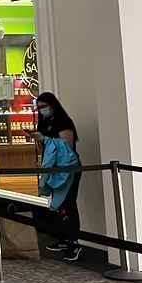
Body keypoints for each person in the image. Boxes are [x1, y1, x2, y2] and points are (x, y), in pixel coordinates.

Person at [30, 91, 82, 261]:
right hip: (55, 169)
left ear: (53, 105)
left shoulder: (63, 122)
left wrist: (44, 139)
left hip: (67, 169)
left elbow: (65, 146)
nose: (42, 110)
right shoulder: (46, 122)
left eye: (45, 107)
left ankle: (73, 242)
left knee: (68, 203)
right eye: (40, 108)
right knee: (60, 204)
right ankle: (65, 238)